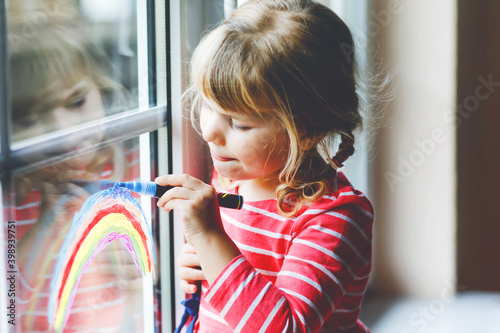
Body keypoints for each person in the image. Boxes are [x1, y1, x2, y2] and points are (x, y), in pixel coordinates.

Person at [156, 0, 374, 332]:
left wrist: (210, 238)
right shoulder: (229, 180)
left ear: (307, 130)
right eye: (207, 105)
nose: (210, 131)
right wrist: (199, 263)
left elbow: (283, 327)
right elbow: (231, 289)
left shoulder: (336, 218)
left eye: (239, 123)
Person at [4, 9, 150, 332]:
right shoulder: (13, 198)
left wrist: (143, 260)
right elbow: (10, 302)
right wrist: (45, 227)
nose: (65, 131)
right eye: (31, 119)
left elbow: (162, 272)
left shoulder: (137, 167)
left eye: (76, 102)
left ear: (101, 90)